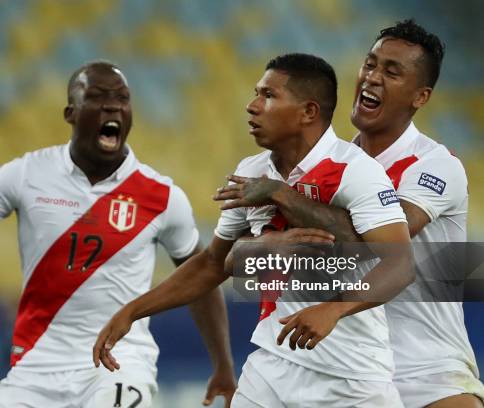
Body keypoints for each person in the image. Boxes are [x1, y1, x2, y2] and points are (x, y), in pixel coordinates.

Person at [0, 61, 236, 408]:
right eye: (98, 97)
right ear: (71, 113)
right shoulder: (25, 175)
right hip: (36, 368)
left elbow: (201, 276)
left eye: (122, 98)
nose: (113, 105)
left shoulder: (162, 196)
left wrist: (223, 363)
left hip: (118, 364)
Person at [94, 53, 415, 407]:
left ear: (308, 112)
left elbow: (399, 264)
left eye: (268, 96)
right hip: (271, 366)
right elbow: (212, 263)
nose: (252, 106)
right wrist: (131, 312)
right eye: (256, 93)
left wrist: (333, 309)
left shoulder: (355, 170)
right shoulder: (251, 170)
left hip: (352, 378)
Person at [215, 20, 484, 408]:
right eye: (370, 64)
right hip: (349, 365)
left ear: (420, 96)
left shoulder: (434, 166)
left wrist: (281, 196)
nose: (372, 78)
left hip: (428, 370)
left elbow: (373, 244)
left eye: (391, 72)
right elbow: (234, 260)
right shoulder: (328, 163)